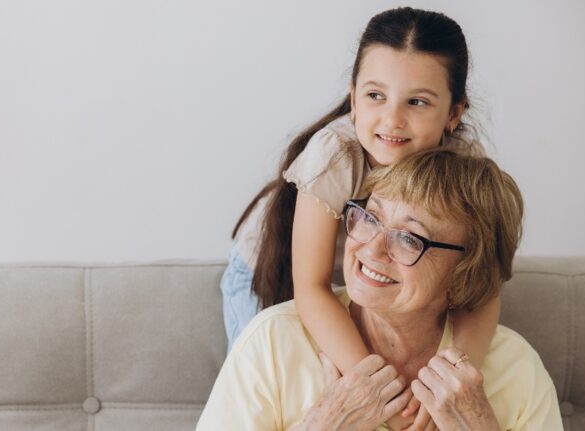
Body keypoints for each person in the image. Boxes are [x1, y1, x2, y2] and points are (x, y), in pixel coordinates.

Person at [222, 6, 496, 424]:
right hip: (273, 269)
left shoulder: (464, 170)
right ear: (353, 98)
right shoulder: (336, 154)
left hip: (376, 282)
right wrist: (386, 392)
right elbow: (311, 287)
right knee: (271, 382)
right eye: (375, 96)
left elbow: (485, 287)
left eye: (417, 101)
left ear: (454, 113)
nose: (392, 119)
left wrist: (449, 372)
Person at [200, 149, 562, 430]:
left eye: (408, 237)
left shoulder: (516, 369)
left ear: (464, 273)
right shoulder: (273, 343)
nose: (370, 249)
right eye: (370, 218)